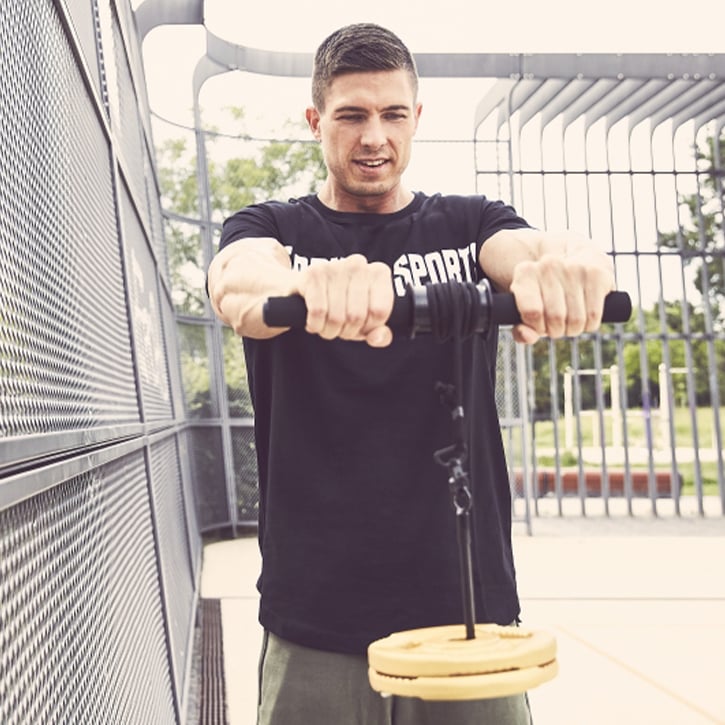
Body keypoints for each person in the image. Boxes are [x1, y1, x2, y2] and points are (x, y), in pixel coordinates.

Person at [207, 22, 614, 725]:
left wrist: (567, 269)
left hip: (466, 610)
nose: (374, 137)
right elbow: (239, 280)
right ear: (315, 122)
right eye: (351, 116)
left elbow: (530, 251)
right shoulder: (273, 229)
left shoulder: (469, 224)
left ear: (416, 118)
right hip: (316, 614)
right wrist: (304, 287)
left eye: (393, 114)